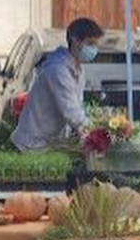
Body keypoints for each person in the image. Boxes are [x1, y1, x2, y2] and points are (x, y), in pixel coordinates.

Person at [11, 17, 103, 150]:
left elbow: (77, 108)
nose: (93, 49)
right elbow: (72, 113)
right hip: (31, 145)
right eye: (90, 43)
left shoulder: (78, 70)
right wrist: (100, 132)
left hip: (49, 144)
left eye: (95, 44)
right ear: (75, 40)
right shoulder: (57, 70)